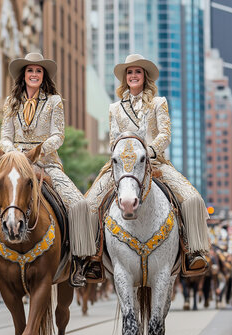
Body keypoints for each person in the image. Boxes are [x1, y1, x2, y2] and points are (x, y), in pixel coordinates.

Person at [0, 53, 98, 291]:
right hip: (15, 164)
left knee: (79, 204)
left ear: (43, 76)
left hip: (46, 163)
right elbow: (5, 136)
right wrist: (15, 154)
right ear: (23, 76)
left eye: (38, 71)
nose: (34, 75)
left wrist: (36, 152)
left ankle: (79, 263)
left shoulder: (54, 101)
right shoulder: (10, 103)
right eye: (30, 71)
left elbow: (59, 135)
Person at [86, 54, 209, 272]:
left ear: (145, 77)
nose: (133, 76)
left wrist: (149, 151)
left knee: (192, 199)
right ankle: (92, 256)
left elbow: (165, 134)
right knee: (87, 205)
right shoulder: (115, 108)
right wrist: (121, 153)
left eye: (138, 72)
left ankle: (193, 251)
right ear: (125, 77)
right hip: (123, 165)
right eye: (130, 72)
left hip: (154, 162)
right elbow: (114, 139)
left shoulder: (158, 103)